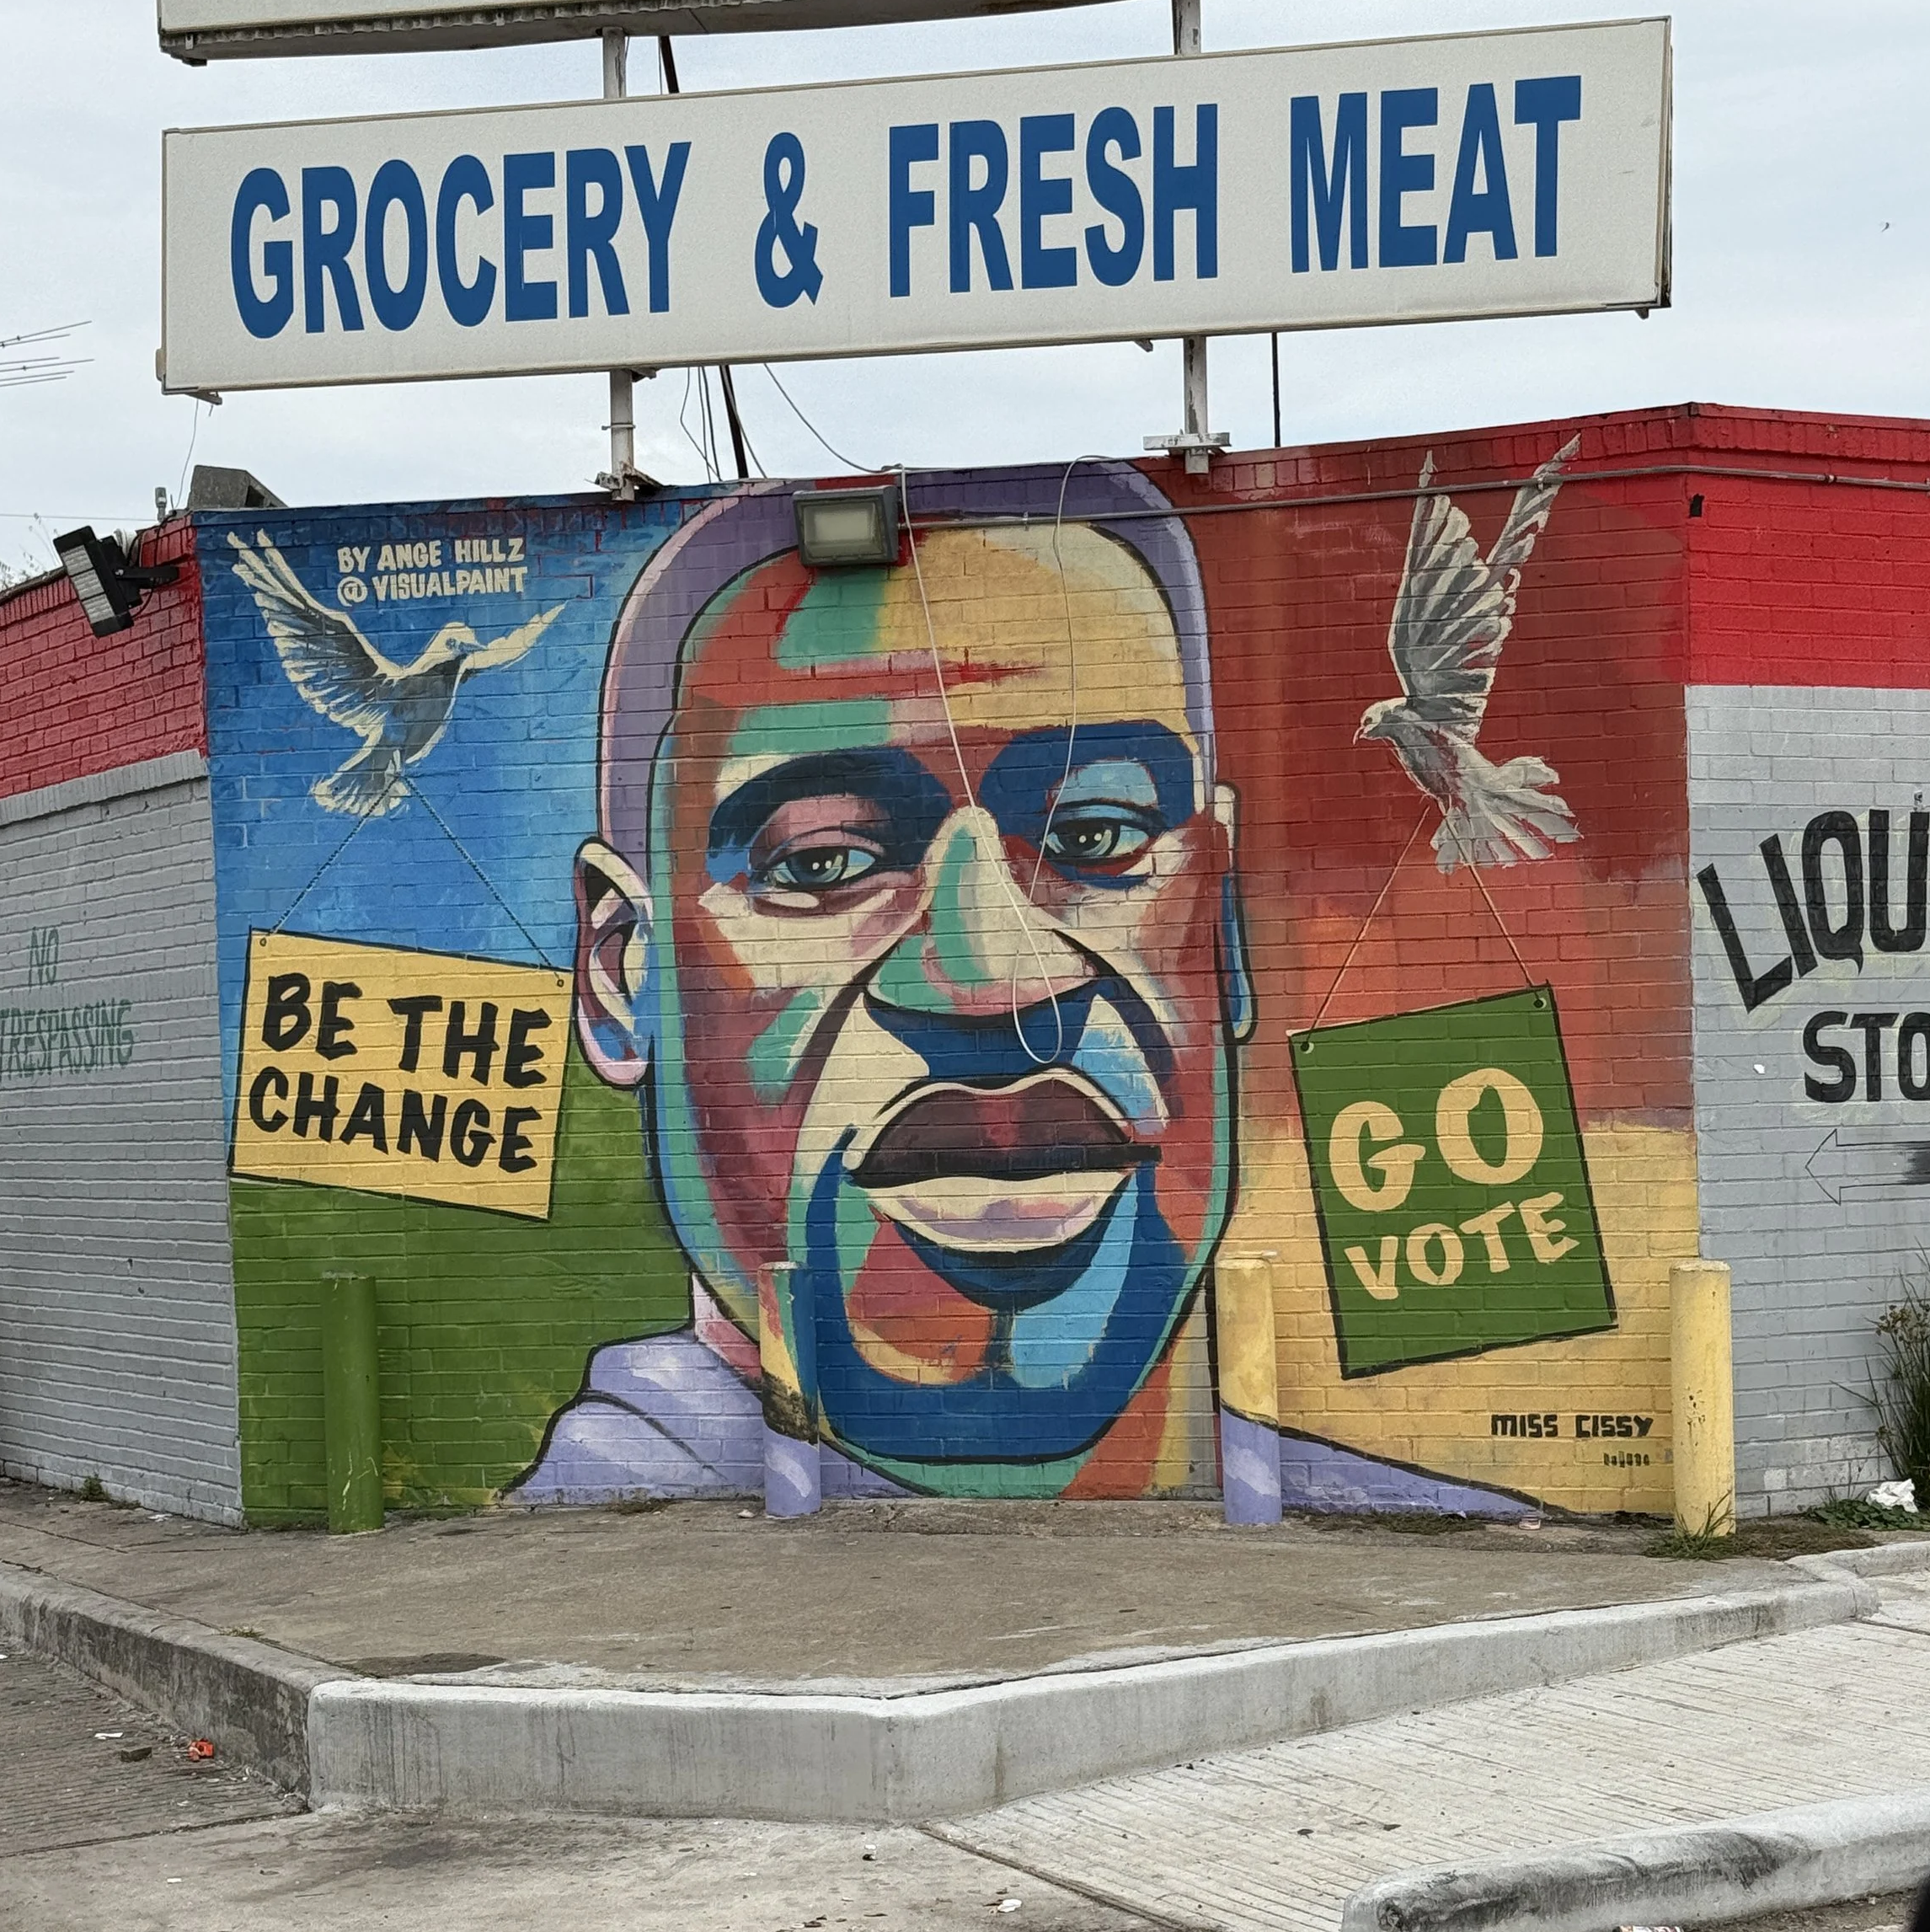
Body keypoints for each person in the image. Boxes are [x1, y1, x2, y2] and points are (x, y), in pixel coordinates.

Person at [514, 464, 1520, 1518]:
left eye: (1096, 838)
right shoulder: (594, 1518)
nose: (993, 977)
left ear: (1218, 936)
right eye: (821, 865)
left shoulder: (1402, 1521)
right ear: (622, 977)